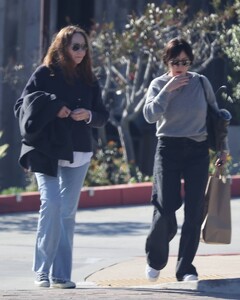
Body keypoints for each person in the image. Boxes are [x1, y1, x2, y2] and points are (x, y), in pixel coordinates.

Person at [14, 25, 109, 289]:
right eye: (75, 46)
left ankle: (61, 274)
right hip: (47, 150)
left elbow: (103, 115)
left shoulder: (90, 77)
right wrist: (54, 107)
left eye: (84, 47)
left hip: (79, 150)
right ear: (62, 47)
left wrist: (88, 115)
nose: (80, 51)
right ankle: (42, 270)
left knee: (67, 213)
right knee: (52, 204)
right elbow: (22, 105)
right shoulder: (45, 73)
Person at [143, 37, 229, 282]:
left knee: (193, 212)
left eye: (185, 61)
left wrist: (223, 149)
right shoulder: (158, 84)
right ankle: (156, 259)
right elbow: (149, 115)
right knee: (164, 207)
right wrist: (167, 90)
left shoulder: (201, 82)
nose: (180, 66)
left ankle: (185, 268)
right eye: (175, 61)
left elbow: (216, 117)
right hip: (167, 148)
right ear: (167, 62)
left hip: (197, 150)